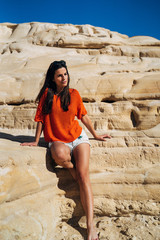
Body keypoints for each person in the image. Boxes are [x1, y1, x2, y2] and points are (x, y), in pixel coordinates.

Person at [21, 60, 111, 240]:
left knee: (84, 177)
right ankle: (71, 168)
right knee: (61, 155)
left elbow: (83, 117)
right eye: (59, 75)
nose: (64, 78)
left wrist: (96, 134)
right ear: (53, 79)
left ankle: (90, 226)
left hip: (78, 139)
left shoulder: (74, 94)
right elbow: (40, 119)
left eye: (65, 74)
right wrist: (35, 141)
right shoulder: (47, 95)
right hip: (58, 141)